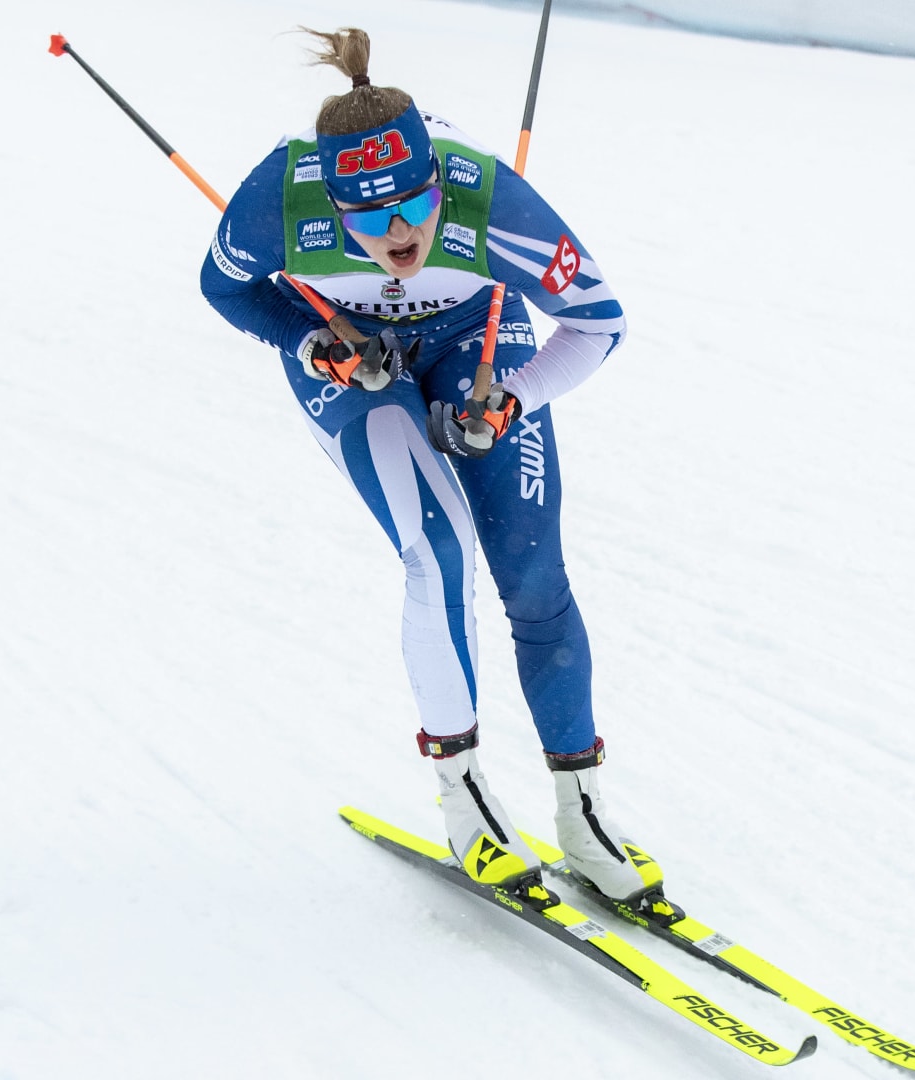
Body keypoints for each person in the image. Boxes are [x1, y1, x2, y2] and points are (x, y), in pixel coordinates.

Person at [200, 27, 661, 904]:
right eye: (368, 217)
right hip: (352, 349)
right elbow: (223, 287)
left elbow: (601, 320)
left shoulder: (488, 198)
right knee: (437, 551)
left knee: (532, 577)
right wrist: (309, 340)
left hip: (473, 337)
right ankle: (466, 799)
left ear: (435, 179)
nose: (399, 231)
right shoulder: (278, 202)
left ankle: (582, 810)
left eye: (413, 204)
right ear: (331, 206)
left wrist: (513, 397)